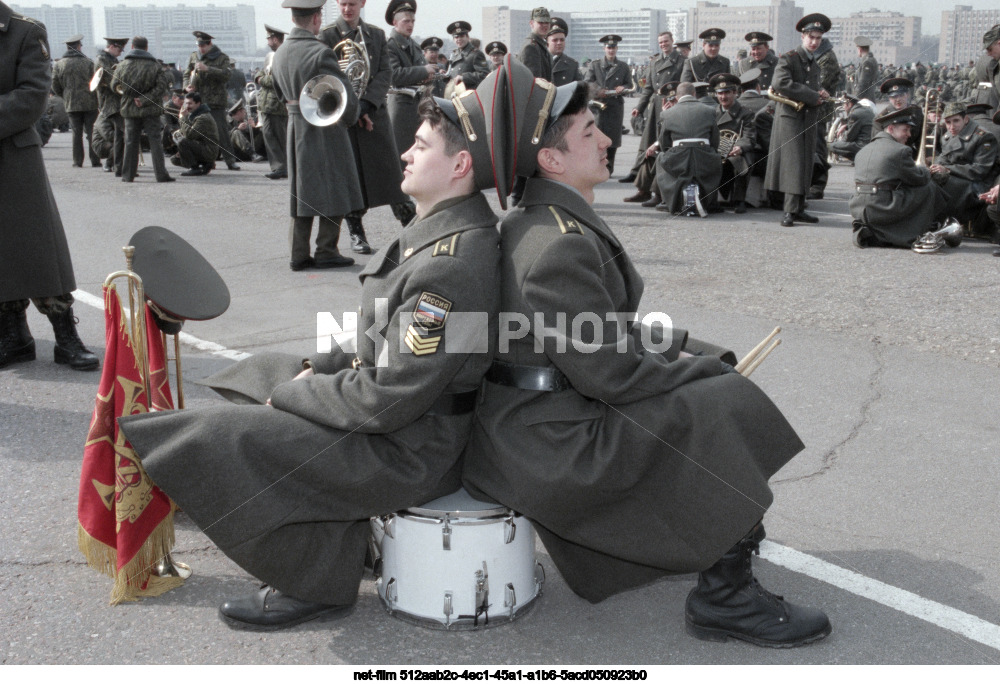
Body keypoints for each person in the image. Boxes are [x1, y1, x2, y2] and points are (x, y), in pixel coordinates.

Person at [116, 65, 505, 632]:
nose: (405, 155)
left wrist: (297, 396)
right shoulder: (440, 233)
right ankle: (309, 530)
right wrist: (306, 372)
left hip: (414, 446)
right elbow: (381, 342)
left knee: (220, 433)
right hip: (403, 417)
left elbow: (392, 396)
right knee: (253, 373)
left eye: (420, 147)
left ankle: (315, 582)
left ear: (460, 165)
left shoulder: (453, 264)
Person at [462, 63, 832, 648]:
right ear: (552, 161)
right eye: (589, 131)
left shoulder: (546, 222)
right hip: (545, 437)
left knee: (708, 383)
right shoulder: (555, 242)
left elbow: (602, 333)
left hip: (542, 414)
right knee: (711, 405)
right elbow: (609, 370)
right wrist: (701, 370)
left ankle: (724, 543)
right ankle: (725, 594)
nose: (609, 139)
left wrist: (691, 348)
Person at [1, 1, 99, 371]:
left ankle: (65, 335)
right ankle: (14, 335)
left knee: (39, 244)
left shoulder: (25, 31)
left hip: (14, 153)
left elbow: (32, 97)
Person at [320, 0, 415, 254]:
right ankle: (356, 233)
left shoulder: (376, 34)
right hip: (345, 117)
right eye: (342, 3)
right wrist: (353, 108)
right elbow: (329, 77)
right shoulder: (327, 35)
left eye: (352, 3)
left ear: (362, 3)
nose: (346, 9)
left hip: (374, 114)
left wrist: (365, 106)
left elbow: (384, 74)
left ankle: (414, 227)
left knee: (392, 175)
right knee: (354, 179)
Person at [272, 0, 361, 270]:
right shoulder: (321, 53)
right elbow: (345, 99)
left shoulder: (280, 52)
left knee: (301, 189)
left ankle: (298, 253)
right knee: (333, 185)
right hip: (323, 127)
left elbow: (278, 94)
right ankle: (326, 249)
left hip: (294, 125)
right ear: (316, 18)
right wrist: (352, 118)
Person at [764, 13, 832, 227]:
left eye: (818, 38)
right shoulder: (790, 58)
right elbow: (781, 83)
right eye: (811, 37)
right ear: (802, 36)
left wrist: (820, 92)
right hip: (791, 118)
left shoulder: (814, 62)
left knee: (805, 162)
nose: (814, 42)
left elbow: (807, 86)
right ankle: (790, 210)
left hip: (807, 117)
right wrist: (813, 96)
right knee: (793, 165)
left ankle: (800, 208)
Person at [850, 106, 949, 248]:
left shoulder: (863, 150)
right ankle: (919, 232)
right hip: (883, 207)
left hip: (859, 207)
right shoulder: (900, 150)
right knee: (929, 187)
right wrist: (927, 170)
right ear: (891, 129)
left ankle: (878, 232)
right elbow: (918, 179)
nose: (909, 134)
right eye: (905, 129)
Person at [623, 31, 684, 187]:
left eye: (666, 41)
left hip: (672, 105)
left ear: (672, 41)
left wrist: (677, 102)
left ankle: (662, 175)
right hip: (656, 105)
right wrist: (639, 107)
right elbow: (648, 88)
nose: (663, 45)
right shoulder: (654, 62)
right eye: (661, 42)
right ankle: (636, 172)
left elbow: (683, 86)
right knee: (647, 140)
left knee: (666, 141)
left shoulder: (682, 61)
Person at [111, 36, 174, 183]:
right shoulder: (155, 65)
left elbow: (114, 85)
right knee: (155, 141)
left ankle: (128, 175)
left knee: (130, 141)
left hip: (129, 108)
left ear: (132, 47)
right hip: (151, 108)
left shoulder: (122, 65)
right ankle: (161, 174)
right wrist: (145, 99)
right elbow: (161, 87)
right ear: (146, 48)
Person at [653, 82, 720, 216]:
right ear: (694, 94)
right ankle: (710, 202)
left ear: (677, 97)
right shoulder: (710, 110)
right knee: (716, 163)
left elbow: (663, 141)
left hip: (679, 155)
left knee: (661, 158)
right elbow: (715, 139)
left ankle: (669, 201)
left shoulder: (667, 113)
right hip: (703, 154)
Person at [386, 0, 437, 171]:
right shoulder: (391, 45)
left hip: (417, 104)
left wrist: (428, 75)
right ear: (395, 22)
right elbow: (395, 75)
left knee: (418, 150)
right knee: (401, 152)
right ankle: (399, 195)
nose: (410, 25)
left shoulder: (413, 45)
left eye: (412, 21)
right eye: (406, 21)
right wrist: (423, 71)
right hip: (401, 106)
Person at [928, 101, 998, 223]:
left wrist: (948, 170)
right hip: (960, 178)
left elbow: (979, 170)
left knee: (939, 188)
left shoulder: (983, 137)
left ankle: (939, 222)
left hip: (978, 184)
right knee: (928, 179)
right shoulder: (948, 135)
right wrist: (934, 167)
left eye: (956, 121)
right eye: (948, 122)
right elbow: (944, 157)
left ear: (965, 119)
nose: (951, 126)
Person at [184, 30, 240, 170]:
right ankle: (206, 161)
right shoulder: (194, 56)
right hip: (197, 101)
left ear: (210, 44)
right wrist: (187, 87)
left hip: (215, 100)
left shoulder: (221, 58)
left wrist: (208, 69)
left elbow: (227, 75)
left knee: (221, 131)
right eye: (199, 46)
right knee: (198, 132)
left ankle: (230, 160)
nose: (201, 49)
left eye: (203, 46)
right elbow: (186, 74)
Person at [50, 34, 100, 168]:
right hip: (90, 103)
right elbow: (96, 83)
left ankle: (77, 161)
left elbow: (54, 85)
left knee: (76, 133)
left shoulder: (59, 64)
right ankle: (95, 160)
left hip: (71, 104)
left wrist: (65, 95)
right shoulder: (89, 62)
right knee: (91, 132)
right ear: (78, 46)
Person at [585, 34, 629, 175]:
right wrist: (598, 91)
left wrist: (623, 88)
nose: (611, 50)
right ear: (604, 48)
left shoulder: (623, 66)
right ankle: (595, 167)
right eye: (609, 47)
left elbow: (629, 83)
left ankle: (609, 168)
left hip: (615, 107)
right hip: (598, 107)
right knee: (596, 139)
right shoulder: (595, 65)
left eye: (614, 47)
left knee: (612, 140)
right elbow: (587, 83)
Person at [713, 72, 755, 214]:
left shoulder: (746, 113)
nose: (723, 97)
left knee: (739, 160)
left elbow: (749, 136)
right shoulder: (711, 113)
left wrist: (740, 147)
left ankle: (739, 200)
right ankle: (710, 199)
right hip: (717, 151)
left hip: (736, 152)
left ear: (735, 93)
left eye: (727, 93)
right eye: (720, 93)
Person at [257, 24, 289, 180]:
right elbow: (262, 72)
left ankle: (283, 166)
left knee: (279, 136)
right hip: (267, 103)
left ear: (275, 38)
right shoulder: (271, 55)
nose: (268, 41)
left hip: (277, 103)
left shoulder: (284, 55)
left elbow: (278, 79)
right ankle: (279, 167)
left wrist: (262, 80)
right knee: (269, 134)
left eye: (269, 38)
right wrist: (261, 77)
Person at [94, 36, 128, 175]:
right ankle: (118, 166)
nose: (121, 52)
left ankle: (115, 165)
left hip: (115, 102)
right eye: (119, 49)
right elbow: (112, 80)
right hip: (111, 103)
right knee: (125, 135)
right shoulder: (103, 60)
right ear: (112, 46)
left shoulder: (110, 59)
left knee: (120, 136)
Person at [870, 78, 922, 157]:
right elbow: (878, 144)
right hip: (889, 156)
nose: (898, 99)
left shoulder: (917, 112)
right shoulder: (880, 119)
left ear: (907, 94)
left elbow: (922, 137)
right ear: (889, 98)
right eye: (894, 97)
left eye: (901, 95)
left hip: (912, 155)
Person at [172, 91, 219, 176]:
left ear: (198, 103)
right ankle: (206, 164)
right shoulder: (195, 115)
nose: (187, 106)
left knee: (183, 142)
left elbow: (189, 135)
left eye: (190, 104)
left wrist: (183, 118)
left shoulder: (203, 117)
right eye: (186, 104)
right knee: (174, 159)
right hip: (203, 147)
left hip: (209, 150)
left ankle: (195, 168)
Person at [828, 93, 874, 161]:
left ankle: (857, 158)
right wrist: (846, 126)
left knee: (831, 146)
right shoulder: (867, 110)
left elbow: (849, 137)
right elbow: (862, 124)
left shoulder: (854, 114)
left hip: (862, 145)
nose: (843, 107)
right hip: (871, 143)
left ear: (849, 104)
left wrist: (840, 141)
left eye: (844, 104)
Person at [445, 20, 489, 89]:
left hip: (469, 94)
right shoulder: (453, 55)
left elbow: (484, 74)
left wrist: (464, 77)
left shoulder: (476, 54)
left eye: (462, 36)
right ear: (453, 39)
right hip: (455, 94)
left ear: (467, 37)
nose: (459, 39)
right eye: (456, 37)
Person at [517, 7, 552, 82]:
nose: (545, 25)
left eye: (547, 22)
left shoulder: (540, 45)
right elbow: (533, 81)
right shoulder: (531, 47)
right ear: (531, 23)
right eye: (541, 22)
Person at [548, 18, 581, 87]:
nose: (559, 43)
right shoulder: (539, 61)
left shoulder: (572, 65)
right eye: (555, 40)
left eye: (562, 40)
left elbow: (579, 91)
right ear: (547, 42)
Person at [853, 37, 879, 101]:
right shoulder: (868, 60)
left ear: (860, 49)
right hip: (866, 98)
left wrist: (854, 99)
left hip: (865, 99)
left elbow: (863, 83)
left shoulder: (867, 62)